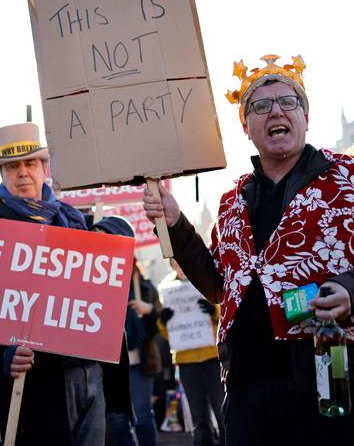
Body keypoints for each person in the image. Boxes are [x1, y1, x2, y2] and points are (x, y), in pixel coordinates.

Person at [143, 54, 354, 444]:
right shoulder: (232, 200)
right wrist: (174, 222)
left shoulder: (347, 178)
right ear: (246, 125)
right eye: (261, 105)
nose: (276, 111)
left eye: (288, 102)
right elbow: (220, 287)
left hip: (328, 384)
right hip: (245, 392)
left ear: (305, 116)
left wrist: (349, 288)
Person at [0, 122, 103, 445]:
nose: (22, 172)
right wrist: (2, 354)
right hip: (36, 381)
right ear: (3, 175)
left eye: (30, 163)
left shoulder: (75, 221)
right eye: (12, 166)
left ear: (45, 168)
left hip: (91, 369)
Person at [91, 215, 159, 446]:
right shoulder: (91, 282)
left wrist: (150, 311)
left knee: (141, 415)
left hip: (138, 362)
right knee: (116, 420)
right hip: (107, 365)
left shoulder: (145, 287)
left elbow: (158, 329)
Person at [158, 260, 225, 446]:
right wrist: (163, 322)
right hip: (185, 360)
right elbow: (166, 334)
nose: (180, 266)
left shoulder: (204, 280)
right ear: (171, 265)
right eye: (176, 264)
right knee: (198, 415)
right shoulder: (166, 288)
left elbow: (223, 316)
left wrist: (213, 311)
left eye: (182, 262)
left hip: (212, 356)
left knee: (222, 411)